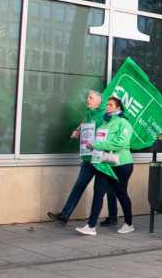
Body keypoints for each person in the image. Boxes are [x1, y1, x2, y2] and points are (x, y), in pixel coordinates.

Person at [48, 90, 118, 227]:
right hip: (87, 157)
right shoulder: (87, 116)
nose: (87, 100)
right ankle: (64, 215)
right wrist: (79, 133)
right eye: (87, 97)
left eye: (91, 98)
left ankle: (112, 216)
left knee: (108, 188)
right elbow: (88, 134)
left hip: (99, 157)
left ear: (98, 102)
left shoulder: (104, 116)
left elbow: (105, 134)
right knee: (78, 187)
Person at [75, 96, 135, 235]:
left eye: (111, 105)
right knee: (98, 193)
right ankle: (90, 226)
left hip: (120, 164)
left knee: (121, 194)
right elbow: (96, 140)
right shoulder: (104, 123)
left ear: (118, 108)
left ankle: (129, 223)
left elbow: (120, 142)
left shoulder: (123, 123)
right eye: (107, 105)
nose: (107, 107)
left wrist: (97, 145)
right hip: (103, 164)